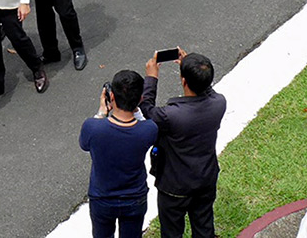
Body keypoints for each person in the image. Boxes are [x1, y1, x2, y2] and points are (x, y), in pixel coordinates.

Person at [139, 50, 227, 238]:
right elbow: (208, 90)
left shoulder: (170, 116)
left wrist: (151, 78)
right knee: (204, 227)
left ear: (184, 81)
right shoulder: (219, 103)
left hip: (174, 187)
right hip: (205, 179)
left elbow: (146, 108)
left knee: (171, 232)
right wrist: (193, 70)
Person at [80, 70, 158, 238]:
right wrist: (136, 108)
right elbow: (143, 122)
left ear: (112, 97)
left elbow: (84, 144)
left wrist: (102, 112)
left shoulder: (92, 128)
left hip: (102, 199)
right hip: (135, 198)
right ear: (140, 99)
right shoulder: (149, 130)